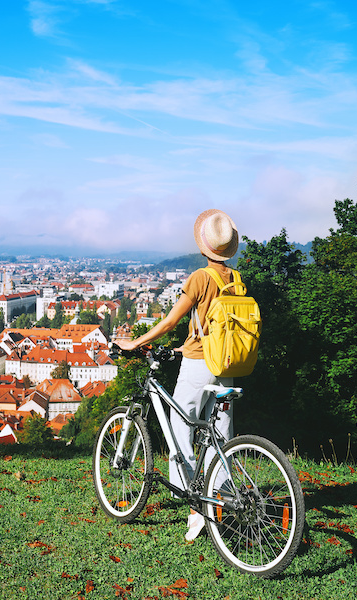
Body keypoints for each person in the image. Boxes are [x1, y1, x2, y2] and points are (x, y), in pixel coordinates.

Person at [116, 209, 239, 541]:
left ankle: (195, 505)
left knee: (180, 428)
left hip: (199, 364)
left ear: (203, 246)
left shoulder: (201, 278)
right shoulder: (236, 279)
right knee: (220, 435)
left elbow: (170, 322)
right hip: (228, 365)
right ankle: (221, 497)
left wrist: (135, 343)